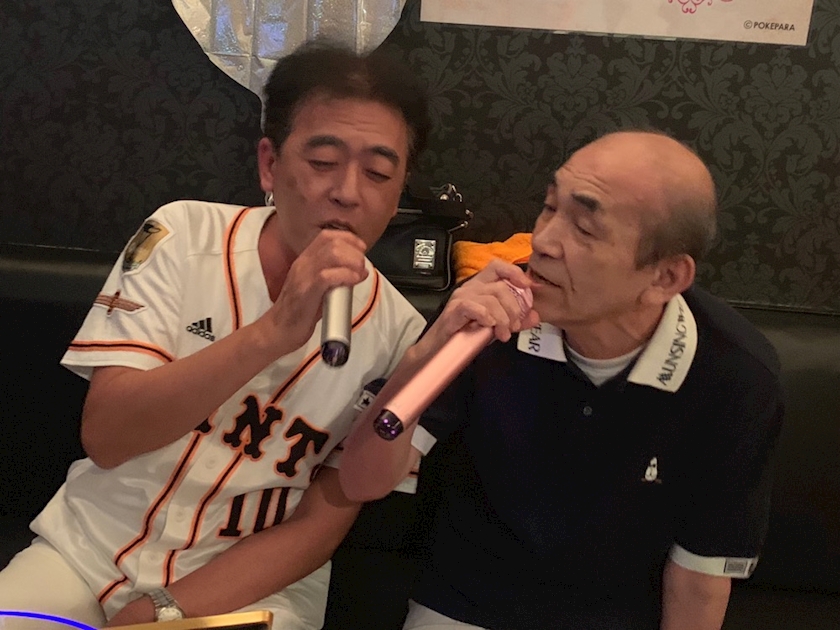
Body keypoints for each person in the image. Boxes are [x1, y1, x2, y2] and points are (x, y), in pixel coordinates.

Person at [0, 40, 434, 629]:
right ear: (269, 165)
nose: (348, 192)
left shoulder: (400, 331)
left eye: (379, 172)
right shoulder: (182, 236)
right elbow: (107, 435)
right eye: (323, 161)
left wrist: (166, 610)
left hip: (246, 592)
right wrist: (271, 333)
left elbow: (324, 519)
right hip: (84, 554)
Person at [339, 130, 785, 630]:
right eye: (550, 207)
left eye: (586, 229)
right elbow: (360, 481)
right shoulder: (489, 317)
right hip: (466, 605)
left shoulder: (736, 377)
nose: (544, 241)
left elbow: (697, 581)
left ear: (665, 278)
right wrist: (426, 352)